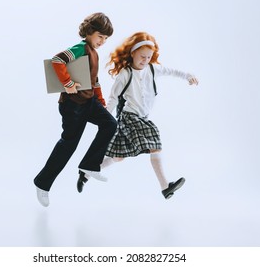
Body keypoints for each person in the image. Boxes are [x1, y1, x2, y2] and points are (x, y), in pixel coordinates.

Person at [80, 31, 198, 199]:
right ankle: (165, 186)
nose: (145, 60)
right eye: (142, 56)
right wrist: (104, 119)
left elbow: (172, 71)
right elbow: (113, 98)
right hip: (129, 118)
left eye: (149, 57)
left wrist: (188, 76)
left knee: (118, 157)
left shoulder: (152, 69)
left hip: (141, 117)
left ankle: (86, 173)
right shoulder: (125, 74)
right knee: (154, 138)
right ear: (133, 53)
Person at [34, 12, 117, 207]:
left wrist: (101, 100)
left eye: (106, 39)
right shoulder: (81, 48)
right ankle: (42, 183)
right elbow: (57, 60)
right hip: (73, 105)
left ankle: (89, 165)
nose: (102, 41)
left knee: (110, 124)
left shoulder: (94, 53)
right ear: (89, 32)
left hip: (89, 102)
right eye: (100, 36)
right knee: (69, 145)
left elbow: (94, 80)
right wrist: (67, 82)